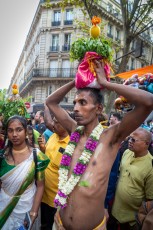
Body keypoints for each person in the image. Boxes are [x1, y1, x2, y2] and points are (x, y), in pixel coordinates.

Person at [46, 61, 153, 230]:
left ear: (98, 108)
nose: (75, 108)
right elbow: (51, 102)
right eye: (74, 103)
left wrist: (107, 84)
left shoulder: (111, 137)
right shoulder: (74, 129)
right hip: (60, 223)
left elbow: (148, 102)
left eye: (82, 103)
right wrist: (77, 79)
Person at [0, 115, 49, 230]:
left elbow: (41, 186)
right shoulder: (2, 155)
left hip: (26, 207)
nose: (14, 134)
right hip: (3, 204)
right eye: (10, 131)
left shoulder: (37, 156)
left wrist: (34, 212)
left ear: (26, 131)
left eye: (19, 130)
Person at [111, 127, 153, 230]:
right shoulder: (127, 153)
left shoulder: (150, 166)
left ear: (146, 144)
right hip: (114, 212)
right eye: (130, 138)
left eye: (133, 140)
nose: (129, 141)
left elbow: (150, 199)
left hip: (132, 220)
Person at [41, 116, 70, 230]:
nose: (52, 124)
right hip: (43, 195)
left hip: (56, 200)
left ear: (65, 124)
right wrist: (43, 149)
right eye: (53, 121)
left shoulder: (72, 144)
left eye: (56, 122)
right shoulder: (53, 136)